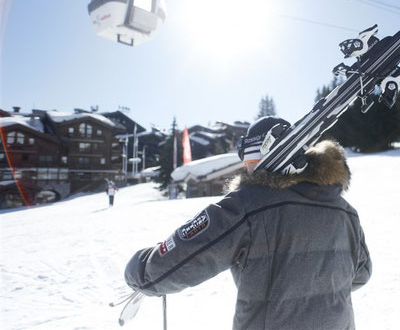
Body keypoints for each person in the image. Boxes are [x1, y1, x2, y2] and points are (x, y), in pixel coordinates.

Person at [124, 116, 372, 329]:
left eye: (251, 164)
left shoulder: (248, 204)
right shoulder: (346, 211)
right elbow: (360, 274)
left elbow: (175, 263)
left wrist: (141, 268)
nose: (250, 172)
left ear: (267, 158)